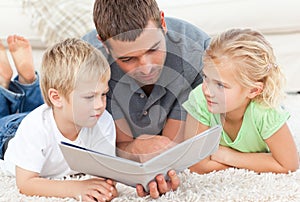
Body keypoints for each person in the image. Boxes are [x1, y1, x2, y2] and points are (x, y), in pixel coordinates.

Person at [83, 0, 210, 197]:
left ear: (162, 22)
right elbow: (101, 145)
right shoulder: (87, 62)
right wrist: (132, 149)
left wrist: (159, 165)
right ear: (104, 44)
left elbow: (174, 148)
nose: (146, 68)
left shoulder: (198, 54)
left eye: (153, 49)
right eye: (127, 59)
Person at [1, 37, 118, 201]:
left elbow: (104, 175)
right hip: (9, 134)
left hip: (54, 113)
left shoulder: (102, 121)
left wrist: (105, 188)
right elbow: (25, 184)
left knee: (38, 109)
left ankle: (27, 84)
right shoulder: (35, 128)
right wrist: (75, 188)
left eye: (103, 94)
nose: (100, 105)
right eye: (89, 97)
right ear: (56, 97)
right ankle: (6, 82)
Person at [183, 28, 299, 174]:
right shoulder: (200, 99)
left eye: (220, 85)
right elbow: (196, 165)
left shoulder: (265, 112)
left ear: (253, 90)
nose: (207, 90)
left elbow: (289, 165)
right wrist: (259, 162)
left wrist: (229, 157)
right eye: (206, 77)